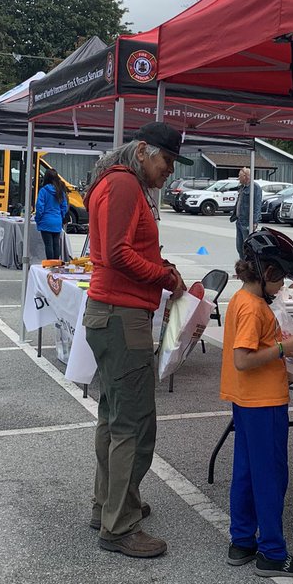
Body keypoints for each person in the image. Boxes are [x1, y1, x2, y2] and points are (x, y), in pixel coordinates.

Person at [82, 122, 190, 559]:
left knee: (113, 416)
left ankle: (109, 506)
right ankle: (120, 525)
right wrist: (164, 276)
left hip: (111, 313)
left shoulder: (117, 182)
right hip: (122, 316)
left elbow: (123, 249)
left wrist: (159, 263)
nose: (169, 171)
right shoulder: (125, 184)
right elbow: (115, 253)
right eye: (166, 161)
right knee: (134, 423)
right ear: (143, 150)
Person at [220, 227, 293, 576]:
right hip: (263, 404)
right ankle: (273, 551)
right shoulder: (255, 308)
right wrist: (284, 349)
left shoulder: (241, 301)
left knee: (246, 472)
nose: (282, 288)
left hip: (245, 402)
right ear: (268, 273)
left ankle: (242, 541)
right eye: (281, 280)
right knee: (270, 476)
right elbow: (243, 359)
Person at [35, 167, 69, 261]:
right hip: (57, 221)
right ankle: (57, 264)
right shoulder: (60, 191)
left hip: (45, 221)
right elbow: (64, 206)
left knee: (48, 245)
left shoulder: (43, 191)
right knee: (56, 244)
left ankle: (50, 263)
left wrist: (38, 219)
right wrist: (60, 217)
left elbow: (40, 207)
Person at [230, 167, 262, 260]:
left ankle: (248, 270)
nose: (238, 178)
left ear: (246, 176)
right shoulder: (242, 187)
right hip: (239, 221)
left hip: (247, 222)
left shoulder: (255, 188)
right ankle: (242, 268)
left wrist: (255, 222)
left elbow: (257, 205)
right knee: (239, 247)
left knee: (247, 248)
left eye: (240, 176)